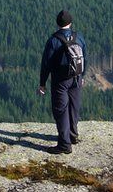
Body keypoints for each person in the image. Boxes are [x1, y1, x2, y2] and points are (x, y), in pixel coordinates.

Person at [38, 9, 86, 154]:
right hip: (76, 78)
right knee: (74, 107)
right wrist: (82, 75)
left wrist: (42, 83)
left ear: (57, 23)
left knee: (61, 111)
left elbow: (46, 64)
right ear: (70, 23)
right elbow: (85, 57)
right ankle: (73, 136)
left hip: (60, 81)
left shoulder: (53, 40)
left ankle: (64, 145)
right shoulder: (79, 37)